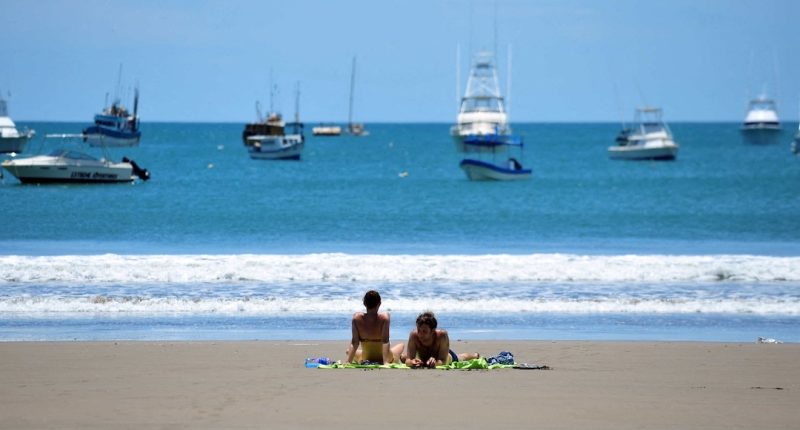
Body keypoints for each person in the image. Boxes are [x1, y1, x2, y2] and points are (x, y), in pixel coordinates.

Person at [345, 290, 405, 365]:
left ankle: (350, 358)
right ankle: (401, 357)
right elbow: (385, 341)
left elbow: (355, 343)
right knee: (401, 345)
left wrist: (348, 362)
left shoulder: (356, 318)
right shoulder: (384, 318)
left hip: (365, 359)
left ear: (364, 303)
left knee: (348, 351)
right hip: (387, 358)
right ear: (379, 304)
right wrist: (385, 362)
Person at [405, 311, 479, 368]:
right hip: (422, 357)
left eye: (424, 331)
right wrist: (412, 362)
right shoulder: (414, 335)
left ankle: (475, 356)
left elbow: (443, 361)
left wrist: (435, 363)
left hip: (444, 356)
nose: (420, 335)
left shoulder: (442, 335)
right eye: (418, 330)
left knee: (461, 357)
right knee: (403, 357)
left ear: (433, 331)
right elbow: (408, 360)